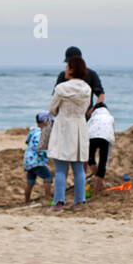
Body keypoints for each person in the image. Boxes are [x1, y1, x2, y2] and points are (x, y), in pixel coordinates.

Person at [48, 56, 92, 211]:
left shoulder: (61, 88)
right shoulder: (87, 89)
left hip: (64, 128)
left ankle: (58, 203)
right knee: (79, 168)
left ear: (72, 69)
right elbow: (86, 109)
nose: (65, 70)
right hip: (79, 127)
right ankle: (79, 202)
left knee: (60, 168)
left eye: (67, 67)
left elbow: (52, 109)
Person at [52, 46, 104, 112]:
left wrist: (92, 110)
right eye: (68, 62)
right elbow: (56, 96)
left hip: (85, 115)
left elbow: (101, 95)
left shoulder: (91, 74)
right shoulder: (63, 75)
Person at [23, 112, 54, 204]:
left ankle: (26, 200)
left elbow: (27, 141)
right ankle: (48, 197)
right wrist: (46, 156)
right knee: (48, 176)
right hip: (36, 161)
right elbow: (39, 148)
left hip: (28, 160)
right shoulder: (41, 134)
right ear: (45, 122)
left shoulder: (33, 130)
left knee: (30, 181)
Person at [86, 102, 115, 195]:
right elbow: (111, 131)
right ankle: (97, 189)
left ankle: (99, 184)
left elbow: (87, 127)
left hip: (92, 137)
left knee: (90, 160)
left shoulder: (94, 117)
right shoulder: (110, 117)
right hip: (105, 138)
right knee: (102, 163)